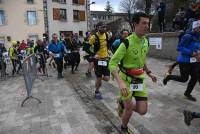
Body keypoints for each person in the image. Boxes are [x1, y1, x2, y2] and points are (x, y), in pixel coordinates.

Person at [109, 12, 157, 133]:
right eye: (144, 23)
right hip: (126, 80)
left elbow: (142, 59)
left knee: (142, 110)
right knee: (129, 110)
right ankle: (124, 128)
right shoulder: (126, 43)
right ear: (135, 24)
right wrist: (120, 83)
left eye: (148, 23)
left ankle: (122, 103)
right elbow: (112, 63)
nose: (147, 26)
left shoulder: (145, 41)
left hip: (139, 79)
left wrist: (149, 72)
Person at [163, 20, 200, 102]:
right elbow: (179, 47)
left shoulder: (198, 37)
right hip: (184, 61)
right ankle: (168, 77)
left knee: (195, 77)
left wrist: (198, 53)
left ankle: (187, 94)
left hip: (194, 61)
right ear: (195, 28)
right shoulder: (188, 36)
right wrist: (191, 52)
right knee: (184, 79)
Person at [89, 22, 111, 100]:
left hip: (105, 59)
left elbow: (107, 45)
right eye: (102, 27)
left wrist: (108, 51)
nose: (104, 29)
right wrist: (94, 54)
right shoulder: (93, 37)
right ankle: (97, 91)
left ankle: (99, 78)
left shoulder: (107, 35)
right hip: (97, 60)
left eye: (105, 27)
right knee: (98, 78)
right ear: (98, 27)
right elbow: (88, 48)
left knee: (107, 78)